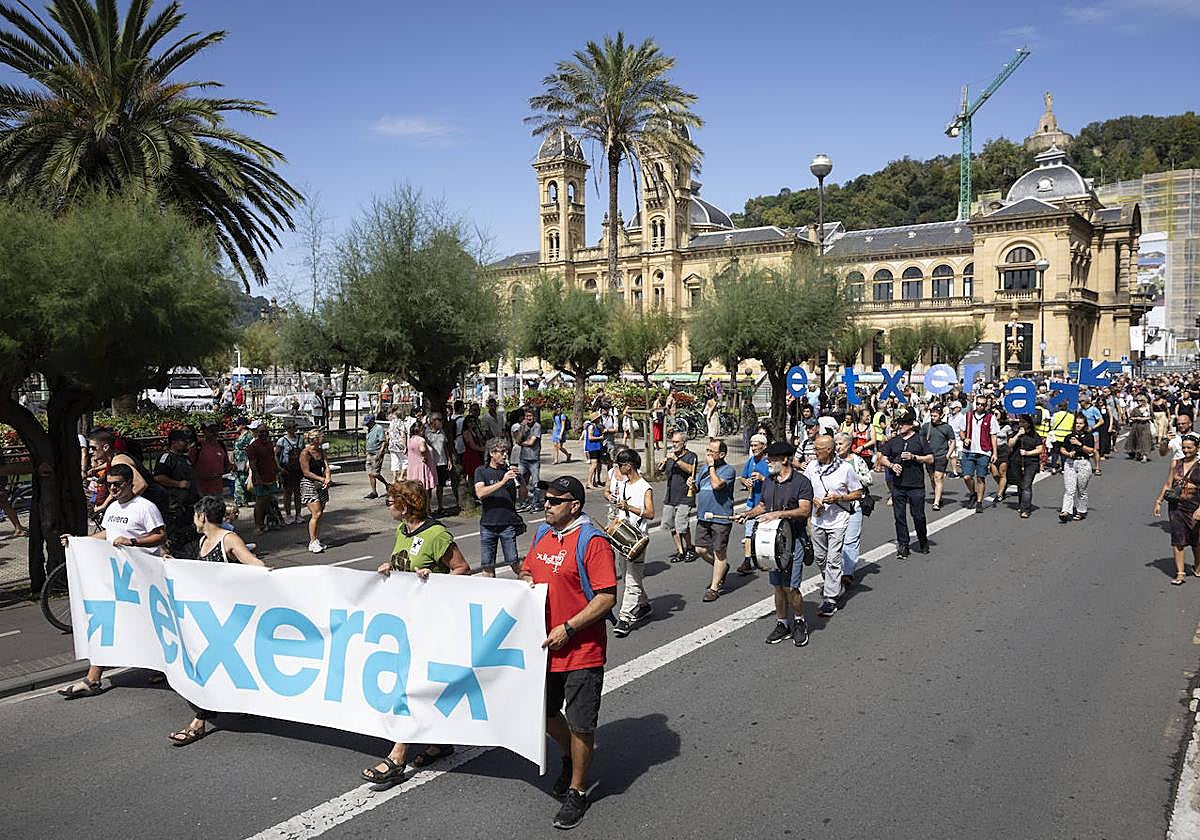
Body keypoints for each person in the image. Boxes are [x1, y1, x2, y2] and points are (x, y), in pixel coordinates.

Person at [520, 475, 617, 830]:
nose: (546, 504)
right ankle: (568, 757)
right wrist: (526, 577)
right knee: (544, 713)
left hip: (581, 651)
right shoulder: (544, 534)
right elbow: (529, 566)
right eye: (546, 498)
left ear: (574, 506)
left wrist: (570, 627)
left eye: (555, 501)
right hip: (544, 648)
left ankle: (577, 790)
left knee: (580, 724)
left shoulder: (592, 542)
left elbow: (606, 597)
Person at [361, 480, 469, 783]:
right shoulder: (402, 531)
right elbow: (404, 566)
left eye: (391, 500)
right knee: (413, 682)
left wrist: (432, 578)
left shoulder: (436, 534)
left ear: (406, 505)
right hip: (406, 621)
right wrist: (390, 569)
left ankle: (397, 755)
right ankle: (441, 741)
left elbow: (462, 569)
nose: (387, 504)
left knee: (410, 684)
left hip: (431, 623)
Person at [57, 463, 165, 699]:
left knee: (149, 624)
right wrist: (78, 542)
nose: (113, 489)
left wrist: (133, 542)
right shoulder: (113, 507)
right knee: (109, 623)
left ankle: (164, 666)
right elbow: (107, 534)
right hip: (118, 578)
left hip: (142, 578)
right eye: (109, 484)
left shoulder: (145, 508)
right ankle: (92, 678)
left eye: (117, 484)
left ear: (130, 483)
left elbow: (160, 535)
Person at [168, 495, 267, 746]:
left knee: (209, 667)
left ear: (202, 516)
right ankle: (242, 702)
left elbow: (254, 564)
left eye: (195, 515)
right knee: (219, 668)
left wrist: (270, 576)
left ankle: (198, 722)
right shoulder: (203, 540)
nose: (194, 520)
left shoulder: (228, 539)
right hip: (211, 619)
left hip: (230, 620)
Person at [740, 441, 813, 647]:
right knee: (777, 586)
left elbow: (805, 510)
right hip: (773, 543)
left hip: (795, 540)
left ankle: (799, 621)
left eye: (771, 459)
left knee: (791, 586)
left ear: (784, 459)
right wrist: (748, 514)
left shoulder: (801, 482)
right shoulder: (769, 481)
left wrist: (779, 514)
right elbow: (762, 505)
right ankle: (782, 623)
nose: (768, 462)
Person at [804, 434, 863, 618]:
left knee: (833, 559)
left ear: (829, 450)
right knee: (820, 558)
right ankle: (834, 584)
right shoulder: (812, 467)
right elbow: (804, 488)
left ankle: (830, 598)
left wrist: (839, 498)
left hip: (838, 520)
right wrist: (812, 499)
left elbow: (858, 493)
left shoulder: (845, 469)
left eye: (818, 450)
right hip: (817, 519)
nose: (814, 453)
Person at [605, 448, 654, 638]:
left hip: (637, 539)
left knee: (632, 579)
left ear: (629, 466)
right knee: (627, 576)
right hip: (623, 538)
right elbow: (621, 512)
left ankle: (624, 618)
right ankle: (643, 604)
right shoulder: (624, 485)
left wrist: (629, 507)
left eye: (620, 464)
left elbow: (650, 513)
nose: (617, 468)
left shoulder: (645, 487)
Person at [877, 409, 933, 558]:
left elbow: (930, 458)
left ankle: (922, 539)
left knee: (918, 516)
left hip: (916, 485)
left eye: (903, 424)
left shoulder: (920, 439)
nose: (900, 426)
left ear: (910, 425)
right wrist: (891, 465)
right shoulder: (894, 441)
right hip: (898, 485)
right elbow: (881, 457)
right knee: (899, 516)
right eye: (899, 423)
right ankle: (903, 545)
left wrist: (914, 457)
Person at [475, 438, 526, 576]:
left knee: (514, 562)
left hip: (507, 524)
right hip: (488, 524)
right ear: (492, 453)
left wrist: (521, 480)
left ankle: (529, 585)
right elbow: (480, 493)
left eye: (506, 452)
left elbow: (522, 497)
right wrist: (503, 481)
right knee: (487, 566)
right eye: (502, 452)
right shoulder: (482, 471)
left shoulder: (509, 471)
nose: (505, 456)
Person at [1154, 434, 1200, 584]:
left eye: (1189, 448)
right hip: (1176, 508)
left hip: (1195, 507)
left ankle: (1198, 566)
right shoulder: (1176, 464)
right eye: (1184, 447)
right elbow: (1168, 484)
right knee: (1177, 540)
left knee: (1196, 541)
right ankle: (1180, 573)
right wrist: (1159, 501)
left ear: (1197, 449)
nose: (1186, 450)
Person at [694, 438, 736, 602]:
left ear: (722, 454)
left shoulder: (728, 470)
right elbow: (698, 487)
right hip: (703, 515)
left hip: (720, 516)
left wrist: (711, 467)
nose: (709, 454)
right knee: (700, 549)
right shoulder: (703, 469)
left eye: (712, 451)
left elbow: (717, 485)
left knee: (719, 551)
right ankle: (722, 568)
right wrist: (692, 485)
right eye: (708, 451)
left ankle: (714, 588)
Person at [834, 432, 873, 591]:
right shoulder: (832, 462)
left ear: (849, 445)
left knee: (851, 538)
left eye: (840, 444)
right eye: (836, 444)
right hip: (835, 507)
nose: (837, 448)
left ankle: (847, 573)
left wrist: (853, 476)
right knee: (836, 540)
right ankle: (836, 570)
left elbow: (868, 479)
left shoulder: (857, 461)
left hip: (854, 504)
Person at [154, 429, 199, 556]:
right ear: (174, 442)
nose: (187, 444)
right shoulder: (166, 457)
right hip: (174, 506)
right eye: (183, 441)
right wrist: (178, 484)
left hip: (189, 504)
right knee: (174, 538)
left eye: (188, 441)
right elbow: (158, 477)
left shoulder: (185, 458)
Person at [657, 431, 698, 565]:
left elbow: (691, 469)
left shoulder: (691, 456)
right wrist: (662, 465)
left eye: (676, 442)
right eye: (672, 442)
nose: (673, 444)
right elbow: (662, 472)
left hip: (685, 496)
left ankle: (690, 548)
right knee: (671, 526)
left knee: (682, 526)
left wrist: (676, 460)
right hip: (670, 496)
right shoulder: (670, 457)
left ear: (684, 443)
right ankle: (680, 551)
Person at [735, 433, 770, 574]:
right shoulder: (751, 461)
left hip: (765, 503)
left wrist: (762, 478)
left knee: (764, 533)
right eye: (752, 445)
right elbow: (742, 477)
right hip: (751, 501)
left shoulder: (769, 462)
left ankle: (767, 558)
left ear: (764, 446)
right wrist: (746, 481)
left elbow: (777, 481)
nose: (753, 448)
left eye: (756, 445)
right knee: (748, 532)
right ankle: (747, 561)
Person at [959, 396, 998, 513]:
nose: (980, 406)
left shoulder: (991, 418)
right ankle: (973, 493)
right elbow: (961, 430)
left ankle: (980, 502)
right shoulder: (968, 416)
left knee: (981, 477)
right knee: (967, 477)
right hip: (968, 451)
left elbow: (993, 436)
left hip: (984, 451)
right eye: (978, 404)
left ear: (986, 406)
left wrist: (994, 453)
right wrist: (964, 438)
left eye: (982, 404)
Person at [245, 420, 282, 534]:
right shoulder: (253, 446)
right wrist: (257, 478)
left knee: (268, 501)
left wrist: (278, 473)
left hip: (270, 476)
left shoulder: (270, 444)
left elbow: (273, 460)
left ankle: (266, 522)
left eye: (265, 432)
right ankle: (258, 525)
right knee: (260, 502)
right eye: (261, 432)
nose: (263, 434)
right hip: (260, 478)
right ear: (257, 433)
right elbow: (253, 464)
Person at [1057, 412, 1095, 523]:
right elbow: (1062, 449)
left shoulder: (1088, 436)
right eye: (1076, 423)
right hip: (1070, 463)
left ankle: (1081, 511)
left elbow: (1091, 450)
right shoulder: (1069, 436)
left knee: (1081, 490)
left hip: (1083, 463)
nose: (1078, 425)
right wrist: (1068, 454)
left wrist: (1079, 444)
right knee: (1069, 489)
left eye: (1081, 423)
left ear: (1084, 424)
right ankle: (1065, 511)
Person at [299, 430, 331, 552]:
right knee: (316, 513)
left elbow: (326, 466)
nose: (323, 438)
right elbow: (306, 472)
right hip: (309, 483)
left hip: (321, 482)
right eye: (321, 437)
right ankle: (312, 541)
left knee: (320, 513)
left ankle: (317, 539)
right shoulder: (305, 453)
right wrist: (322, 479)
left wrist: (327, 478)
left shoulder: (321, 451)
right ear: (315, 439)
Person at [919, 405, 955, 511]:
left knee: (938, 477)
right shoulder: (926, 426)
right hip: (929, 456)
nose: (933, 418)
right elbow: (921, 440)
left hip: (941, 456)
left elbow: (952, 441)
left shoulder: (946, 427)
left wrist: (948, 455)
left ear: (941, 416)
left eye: (935, 416)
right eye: (932, 415)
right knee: (932, 477)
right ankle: (938, 496)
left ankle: (936, 502)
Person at [1010, 415, 1045, 518]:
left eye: (1024, 422)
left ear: (1029, 424)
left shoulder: (1035, 435)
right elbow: (1010, 444)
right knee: (1020, 484)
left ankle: (1026, 509)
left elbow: (1040, 449)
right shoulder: (1016, 433)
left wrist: (1027, 453)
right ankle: (1022, 504)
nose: (1021, 424)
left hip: (1031, 462)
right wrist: (1018, 435)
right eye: (1020, 422)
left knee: (1026, 485)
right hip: (1016, 462)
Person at [275, 419, 305, 524]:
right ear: (286, 429)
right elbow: (276, 455)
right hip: (286, 469)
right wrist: (279, 468)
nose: (293, 429)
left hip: (298, 469)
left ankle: (298, 513)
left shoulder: (300, 439)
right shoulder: (282, 440)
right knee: (287, 493)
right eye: (290, 427)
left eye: (294, 427)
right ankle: (288, 514)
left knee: (297, 492)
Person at [405, 419, 439, 509]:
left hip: (413, 467)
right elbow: (422, 449)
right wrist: (424, 456)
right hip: (422, 467)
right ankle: (426, 509)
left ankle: (416, 508)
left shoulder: (411, 439)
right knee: (425, 490)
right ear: (420, 430)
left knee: (414, 490)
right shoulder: (421, 440)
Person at [192, 424, 231, 498]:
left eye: (216, 430)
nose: (214, 433)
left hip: (217, 487)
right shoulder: (197, 447)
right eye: (211, 431)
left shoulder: (221, 445)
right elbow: (190, 466)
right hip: (201, 488)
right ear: (204, 432)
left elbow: (226, 464)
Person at [425, 414, 454, 514]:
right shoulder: (426, 432)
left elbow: (445, 446)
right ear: (433, 421)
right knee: (429, 486)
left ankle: (440, 506)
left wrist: (449, 459)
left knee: (441, 486)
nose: (441, 422)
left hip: (442, 462)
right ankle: (427, 507)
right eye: (439, 420)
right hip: (431, 463)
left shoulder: (442, 432)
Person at [517, 408, 544, 510]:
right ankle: (523, 502)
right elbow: (518, 440)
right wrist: (522, 428)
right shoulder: (523, 426)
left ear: (534, 417)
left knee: (536, 482)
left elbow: (531, 443)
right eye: (527, 416)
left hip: (533, 459)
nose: (528, 418)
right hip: (523, 458)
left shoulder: (537, 427)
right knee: (521, 481)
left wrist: (522, 443)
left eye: (530, 416)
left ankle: (536, 503)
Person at [363, 415, 386, 500]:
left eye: (368, 423)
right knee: (370, 473)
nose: (367, 425)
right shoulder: (369, 429)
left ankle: (387, 484)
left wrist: (380, 453)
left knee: (375, 473)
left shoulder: (378, 428)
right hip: (369, 453)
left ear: (372, 421)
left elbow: (383, 441)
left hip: (376, 453)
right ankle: (374, 492)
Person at [232, 417, 252, 505]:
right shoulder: (240, 435)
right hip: (238, 461)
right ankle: (240, 500)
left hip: (245, 461)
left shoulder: (248, 435)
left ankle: (245, 500)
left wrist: (249, 461)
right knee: (239, 479)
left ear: (243, 425)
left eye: (237, 424)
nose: (236, 426)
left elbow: (251, 450)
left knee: (244, 480)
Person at [1127, 395, 1153, 463]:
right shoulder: (1135, 409)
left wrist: (1145, 418)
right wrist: (1136, 418)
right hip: (1136, 426)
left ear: (1144, 401)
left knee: (1145, 440)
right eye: (1138, 401)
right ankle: (1138, 453)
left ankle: (1144, 456)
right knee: (1138, 440)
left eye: (1140, 401)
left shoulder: (1148, 408)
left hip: (1145, 426)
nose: (1139, 402)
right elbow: (1131, 418)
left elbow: (1152, 417)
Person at [583, 408, 604, 488]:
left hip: (597, 447)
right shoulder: (591, 427)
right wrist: (600, 438)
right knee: (593, 465)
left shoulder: (597, 426)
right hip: (592, 447)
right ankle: (589, 482)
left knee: (597, 464)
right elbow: (590, 437)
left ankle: (594, 481)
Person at [386, 406, 407, 483]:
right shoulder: (400, 423)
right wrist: (405, 446)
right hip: (399, 445)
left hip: (392, 445)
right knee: (405, 460)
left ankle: (394, 477)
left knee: (394, 461)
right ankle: (401, 476)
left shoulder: (392, 423)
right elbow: (403, 435)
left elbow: (388, 434)